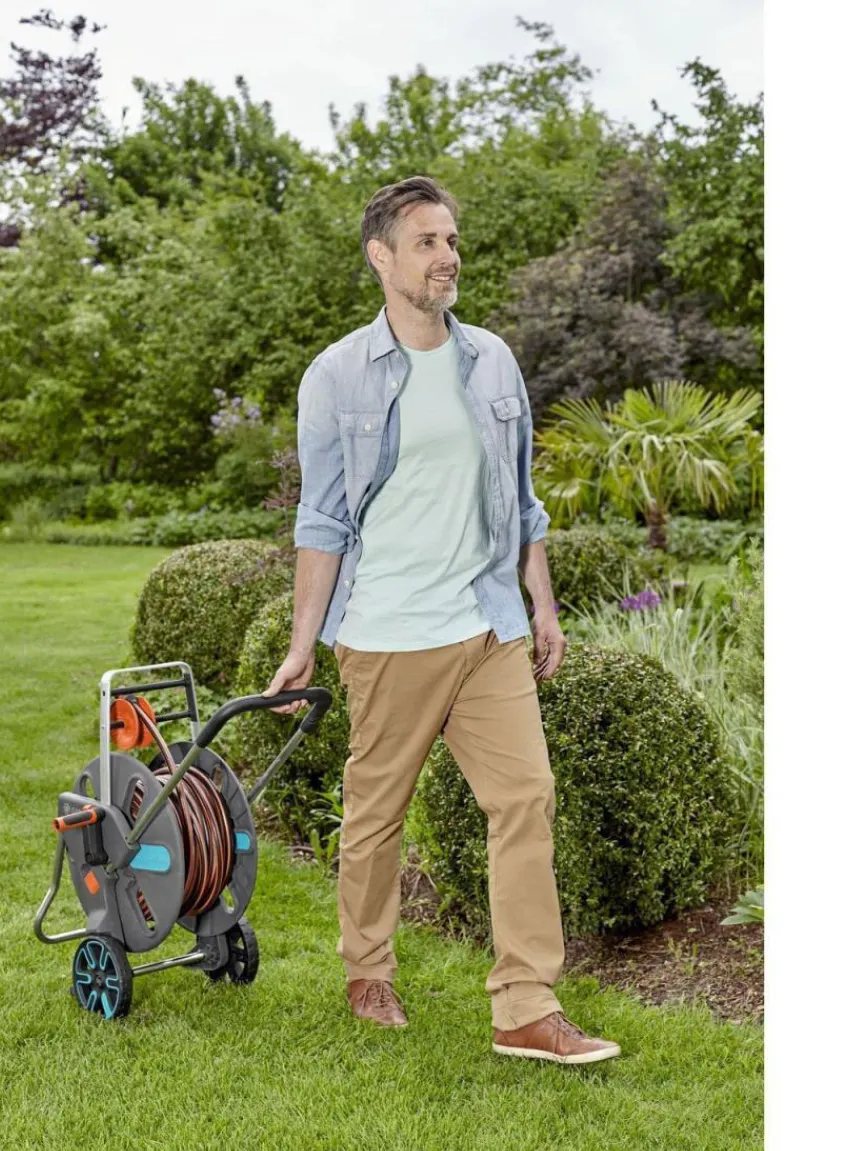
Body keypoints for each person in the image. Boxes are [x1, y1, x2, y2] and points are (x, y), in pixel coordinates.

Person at [262, 176, 620, 1065]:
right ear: (381, 257)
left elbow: (521, 501)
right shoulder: (338, 374)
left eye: (451, 239)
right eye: (426, 241)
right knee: (376, 814)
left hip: (486, 625)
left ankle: (526, 1004)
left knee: (525, 798)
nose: (447, 256)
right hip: (388, 633)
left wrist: (541, 604)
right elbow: (322, 520)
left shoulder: (491, 359)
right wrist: (304, 646)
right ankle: (368, 969)